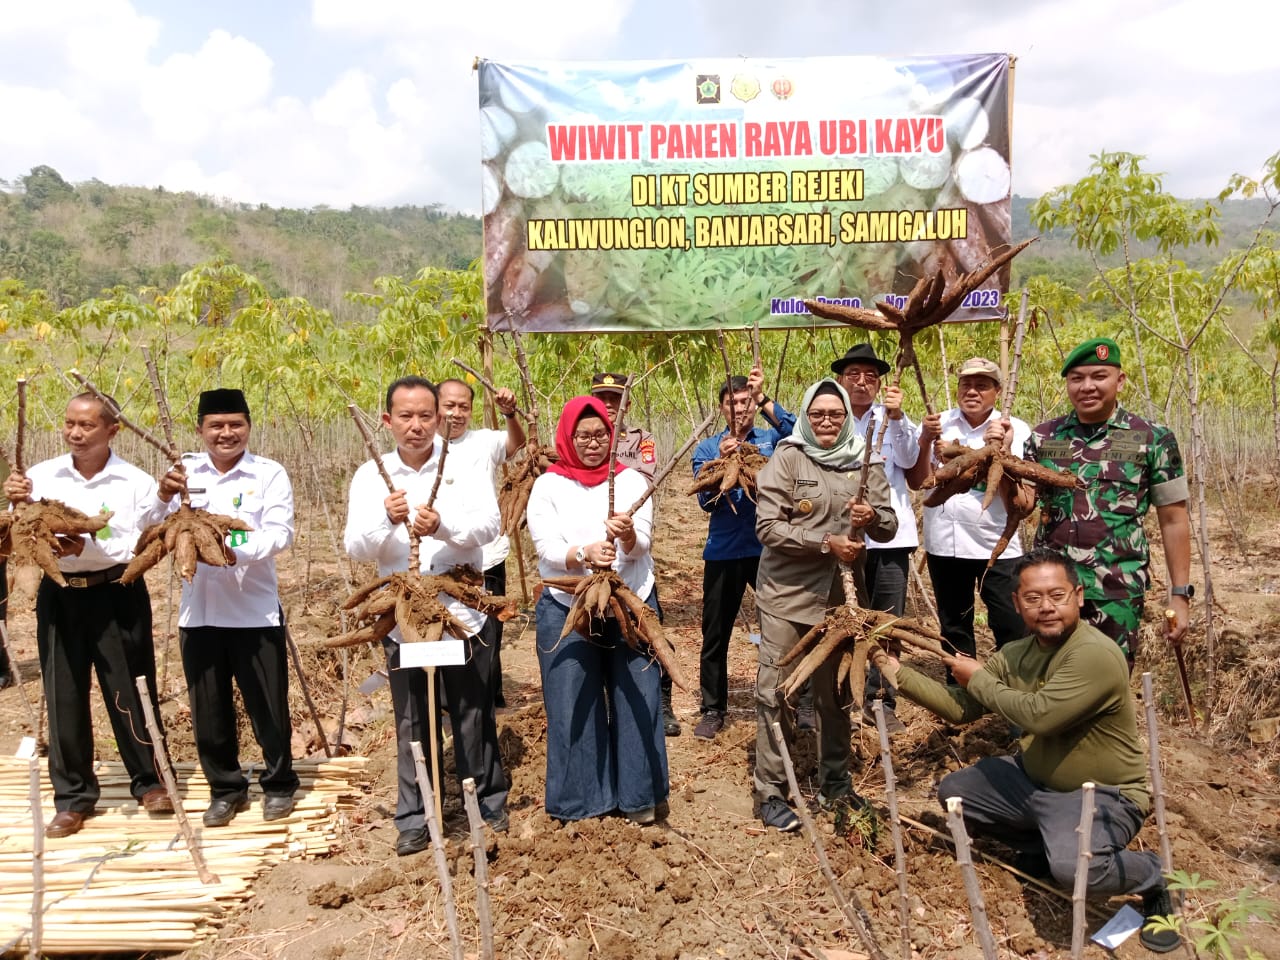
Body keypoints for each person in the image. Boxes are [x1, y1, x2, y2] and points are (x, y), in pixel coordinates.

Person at [876, 548, 1181, 954]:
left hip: (1103, 793)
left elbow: (1040, 717)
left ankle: (1155, 878)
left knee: (1078, 872)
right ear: (1017, 604)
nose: (1047, 608)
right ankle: (1046, 844)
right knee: (956, 795)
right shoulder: (1017, 654)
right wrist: (895, 670)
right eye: (1033, 599)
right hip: (1035, 780)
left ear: (1078, 597)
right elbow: (960, 707)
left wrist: (977, 677)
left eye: (1057, 596)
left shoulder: (1095, 654)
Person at [344, 376, 509, 856]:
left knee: (472, 713)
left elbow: (489, 526)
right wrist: (385, 519)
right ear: (387, 420)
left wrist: (444, 525)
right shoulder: (369, 476)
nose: (415, 426)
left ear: (440, 419)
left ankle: (488, 804)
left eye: (425, 416)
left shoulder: (463, 465)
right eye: (405, 416)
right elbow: (355, 545)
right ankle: (417, 815)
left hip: (460, 613)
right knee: (412, 718)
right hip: (405, 619)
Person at [3, 392, 174, 838]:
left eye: (86, 426)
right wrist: (14, 502)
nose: (75, 434)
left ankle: (149, 780)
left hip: (117, 592)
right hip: (61, 595)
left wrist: (85, 541)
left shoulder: (133, 481)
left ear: (111, 430)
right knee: (63, 695)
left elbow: (138, 542)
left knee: (131, 688)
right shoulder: (40, 476)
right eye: (69, 424)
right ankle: (73, 797)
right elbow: (21, 528)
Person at [753, 379, 896, 831]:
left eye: (835, 414)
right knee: (776, 690)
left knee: (835, 695)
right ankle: (772, 791)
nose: (828, 421)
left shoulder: (865, 459)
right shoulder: (788, 457)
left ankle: (835, 782)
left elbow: (890, 526)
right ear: (806, 417)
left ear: (847, 418)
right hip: (787, 597)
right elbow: (768, 527)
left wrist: (871, 518)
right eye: (818, 415)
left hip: (841, 602)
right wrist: (824, 543)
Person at [154, 389, 299, 827]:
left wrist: (222, 544)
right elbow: (152, 524)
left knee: (268, 706)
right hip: (199, 614)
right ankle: (225, 788)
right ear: (200, 429)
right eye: (216, 425)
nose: (226, 433)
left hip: (254, 611)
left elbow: (279, 534)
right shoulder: (183, 472)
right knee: (209, 711)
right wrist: (163, 495)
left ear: (249, 427)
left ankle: (278, 784)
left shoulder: (268, 474)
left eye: (236, 424)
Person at [526, 395, 667, 823]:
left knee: (638, 695)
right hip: (568, 603)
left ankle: (640, 797)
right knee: (571, 700)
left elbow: (643, 541)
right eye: (583, 435)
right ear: (567, 437)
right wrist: (582, 553)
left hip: (631, 598)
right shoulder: (548, 484)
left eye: (601, 434)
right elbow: (545, 546)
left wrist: (625, 537)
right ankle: (582, 801)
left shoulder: (630, 481)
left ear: (613, 436)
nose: (593, 442)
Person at [1022, 338, 1191, 665]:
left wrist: (1180, 595)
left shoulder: (1153, 439)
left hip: (1116, 588)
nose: (1087, 387)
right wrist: (999, 458)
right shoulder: (1043, 438)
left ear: (1120, 380)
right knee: (1049, 683)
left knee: (1107, 682)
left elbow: (1174, 520)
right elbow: (1022, 505)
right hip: (1052, 591)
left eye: (1099, 376)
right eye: (1077, 378)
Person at [691, 366, 794, 740]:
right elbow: (705, 499)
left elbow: (801, 434)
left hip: (767, 548)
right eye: (732, 403)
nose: (739, 409)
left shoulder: (773, 441)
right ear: (721, 409)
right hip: (722, 552)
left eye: (745, 401)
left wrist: (766, 399)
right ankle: (712, 709)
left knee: (780, 627)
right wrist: (721, 462)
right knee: (715, 633)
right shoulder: (707, 447)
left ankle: (789, 698)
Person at [915, 358, 1030, 670]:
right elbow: (919, 478)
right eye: (966, 384)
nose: (973, 391)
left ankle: (1014, 697)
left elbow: (1021, 491)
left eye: (982, 385)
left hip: (997, 543)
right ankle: (962, 697)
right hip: (946, 544)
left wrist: (1002, 447)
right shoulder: (938, 424)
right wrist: (926, 441)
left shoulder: (1014, 428)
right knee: (954, 629)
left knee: (1010, 623)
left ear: (997, 391)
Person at [830, 343, 922, 733]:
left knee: (886, 624)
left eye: (870, 376)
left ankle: (880, 699)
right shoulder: (829, 419)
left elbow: (910, 462)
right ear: (840, 380)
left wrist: (898, 418)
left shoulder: (896, 420)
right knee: (841, 618)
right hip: (842, 540)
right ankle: (837, 699)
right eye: (854, 375)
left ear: (880, 382)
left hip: (889, 539)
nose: (862, 383)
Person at [590, 370, 680, 736]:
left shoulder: (639, 439)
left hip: (631, 548)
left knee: (647, 630)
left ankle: (662, 700)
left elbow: (644, 478)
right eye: (603, 399)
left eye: (616, 399)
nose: (610, 406)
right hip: (593, 558)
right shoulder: (583, 438)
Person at [436, 378, 525, 708]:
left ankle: (488, 696)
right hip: (442, 561)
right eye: (449, 406)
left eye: (463, 407)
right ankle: (449, 702)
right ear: (435, 407)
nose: (456, 413)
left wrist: (510, 414)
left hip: (487, 556)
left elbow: (516, 445)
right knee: (449, 625)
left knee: (489, 629)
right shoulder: (424, 447)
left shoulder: (484, 441)